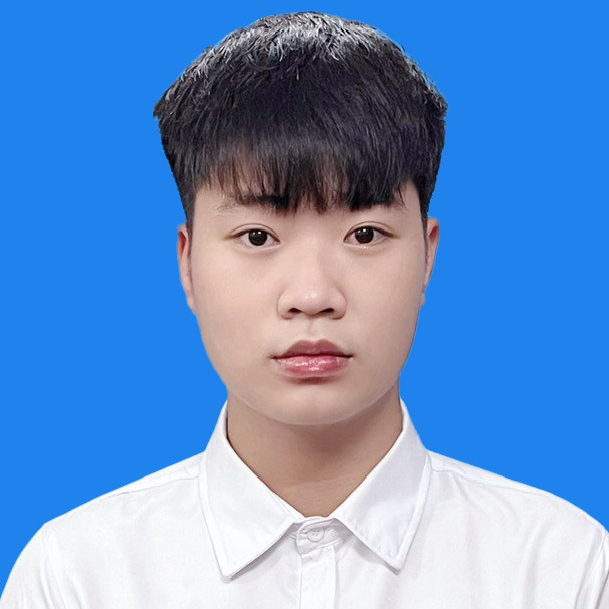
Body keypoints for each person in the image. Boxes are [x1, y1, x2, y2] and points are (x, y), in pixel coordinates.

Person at [1, 11, 607, 608]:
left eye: (364, 234)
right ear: (187, 264)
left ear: (427, 256)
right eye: (258, 237)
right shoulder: (78, 578)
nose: (313, 296)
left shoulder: (560, 570)